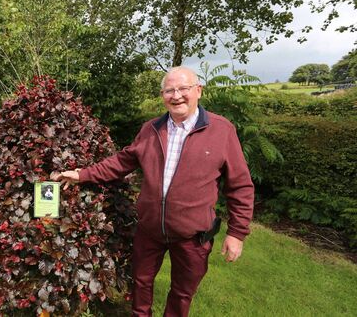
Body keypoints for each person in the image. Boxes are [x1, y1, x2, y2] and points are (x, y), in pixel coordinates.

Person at [52, 66, 254, 317]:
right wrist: (82, 174)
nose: (176, 95)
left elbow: (241, 185)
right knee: (141, 283)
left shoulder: (222, 130)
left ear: (198, 91)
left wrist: (237, 233)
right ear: (163, 95)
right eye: (169, 90)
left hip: (193, 236)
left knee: (182, 293)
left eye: (183, 89)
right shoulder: (152, 129)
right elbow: (121, 162)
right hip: (150, 231)